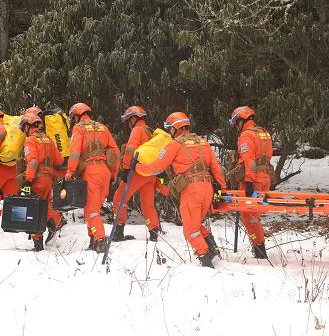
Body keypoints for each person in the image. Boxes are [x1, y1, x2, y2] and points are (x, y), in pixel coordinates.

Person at [136, 112, 228, 268]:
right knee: (196, 224)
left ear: (174, 128)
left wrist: (138, 166)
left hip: (192, 190)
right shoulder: (203, 142)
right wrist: (222, 191)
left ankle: (206, 259)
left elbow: (156, 168)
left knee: (190, 230)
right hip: (208, 188)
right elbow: (216, 169)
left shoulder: (175, 144)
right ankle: (213, 249)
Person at [64, 102, 119, 253]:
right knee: (92, 207)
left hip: (91, 171)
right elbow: (115, 151)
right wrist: (114, 173)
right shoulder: (103, 127)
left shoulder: (78, 128)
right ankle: (93, 240)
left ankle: (100, 240)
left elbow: (75, 152)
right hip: (105, 172)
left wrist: (70, 171)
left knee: (91, 210)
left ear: (76, 115)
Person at [229, 106, 273, 259]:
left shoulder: (246, 135)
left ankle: (259, 250)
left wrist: (248, 181)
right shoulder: (264, 133)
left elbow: (249, 160)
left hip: (252, 179)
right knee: (255, 215)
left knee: (249, 216)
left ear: (241, 120)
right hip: (264, 177)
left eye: (236, 123)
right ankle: (259, 246)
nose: (236, 127)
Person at [112, 106, 161, 241]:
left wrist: (126, 169)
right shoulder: (150, 131)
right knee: (148, 204)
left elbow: (130, 149)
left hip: (137, 171)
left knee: (118, 198)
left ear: (133, 118)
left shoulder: (137, 130)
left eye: (128, 121)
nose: (128, 124)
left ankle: (118, 233)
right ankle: (154, 234)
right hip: (150, 174)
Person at [19, 112, 65, 251]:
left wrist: (28, 180)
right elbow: (59, 161)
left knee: (34, 210)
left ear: (28, 125)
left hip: (37, 179)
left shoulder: (30, 140)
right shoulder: (49, 139)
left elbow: (32, 161)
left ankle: (37, 244)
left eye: (24, 128)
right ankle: (54, 224)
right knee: (47, 207)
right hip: (49, 180)